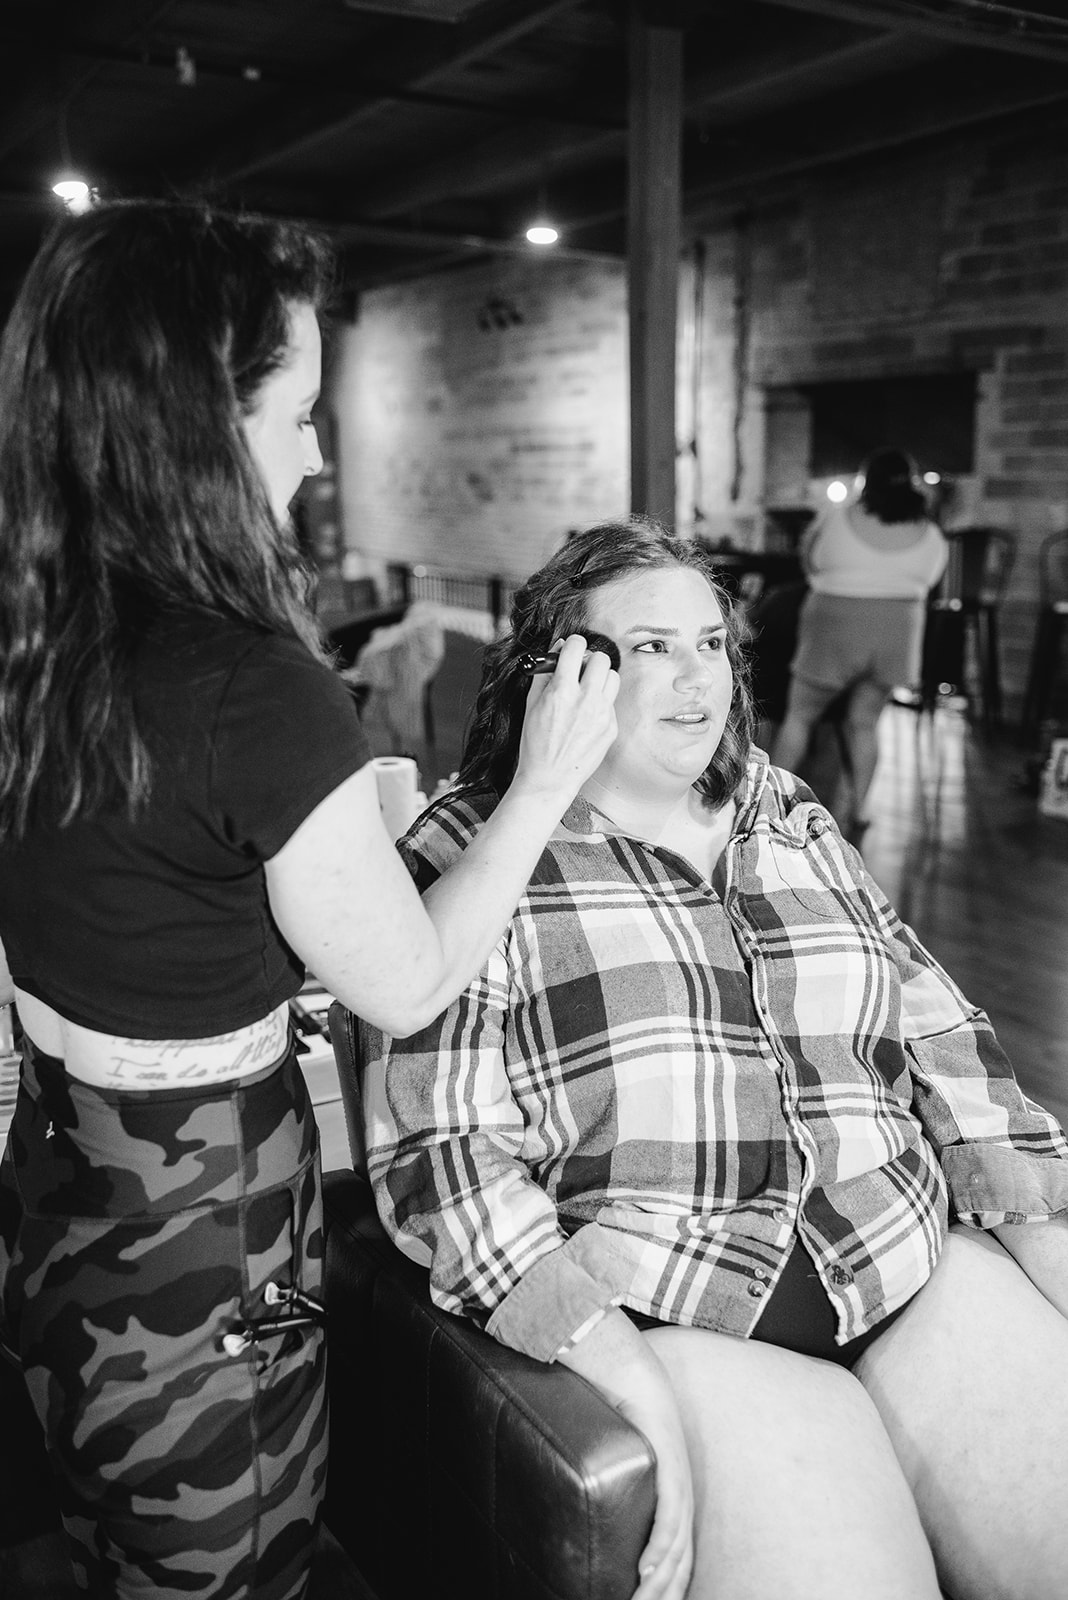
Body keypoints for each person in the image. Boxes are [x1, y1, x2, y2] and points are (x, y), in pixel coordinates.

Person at [0, 200, 618, 1599]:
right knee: (229, 1560)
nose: (317, 453)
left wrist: (334, 835)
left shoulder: (43, 629)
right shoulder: (248, 686)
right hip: (195, 1218)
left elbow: (153, 867)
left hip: (60, 1181)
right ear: (192, 430)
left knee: (111, 1522)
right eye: (293, 416)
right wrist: (533, 791)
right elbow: (402, 986)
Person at [362, 517, 1068, 1600]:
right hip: (702, 1313)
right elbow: (441, 1155)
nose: (699, 680)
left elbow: (937, 1024)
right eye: (650, 647)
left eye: (711, 643)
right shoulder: (469, 852)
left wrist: (1045, 1233)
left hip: (907, 1260)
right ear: (560, 674)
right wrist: (611, 1355)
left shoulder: (785, 810)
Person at [771, 448, 947, 834]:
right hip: (897, 629)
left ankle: (768, 805)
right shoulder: (930, 533)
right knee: (865, 724)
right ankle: (861, 812)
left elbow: (811, 559)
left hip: (835, 622)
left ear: (866, 483)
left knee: (800, 716)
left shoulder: (839, 518)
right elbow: (931, 579)